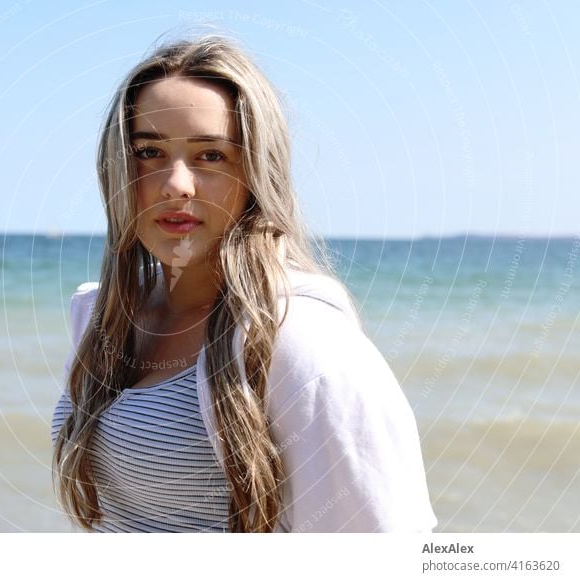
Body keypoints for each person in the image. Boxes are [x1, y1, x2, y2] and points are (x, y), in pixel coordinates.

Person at [51, 34, 437, 533]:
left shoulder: (302, 342)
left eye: (211, 155)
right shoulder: (102, 319)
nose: (176, 184)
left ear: (255, 173)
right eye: (148, 151)